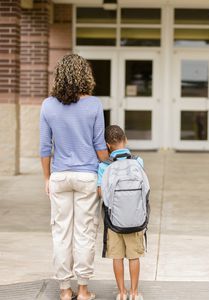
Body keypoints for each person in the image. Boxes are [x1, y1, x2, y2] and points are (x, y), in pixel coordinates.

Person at [40, 54, 109, 300]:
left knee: (60, 233)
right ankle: (82, 289)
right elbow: (100, 146)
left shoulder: (48, 105)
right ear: (85, 75)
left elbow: (44, 147)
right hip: (87, 177)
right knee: (85, 232)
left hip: (59, 176)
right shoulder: (94, 105)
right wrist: (110, 162)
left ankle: (64, 290)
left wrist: (47, 178)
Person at [97, 125, 145, 300]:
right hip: (135, 219)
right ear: (125, 140)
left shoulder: (104, 166)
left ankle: (122, 293)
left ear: (108, 145)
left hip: (114, 221)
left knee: (117, 256)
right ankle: (134, 293)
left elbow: (101, 193)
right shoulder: (138, 162)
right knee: (134, 256)